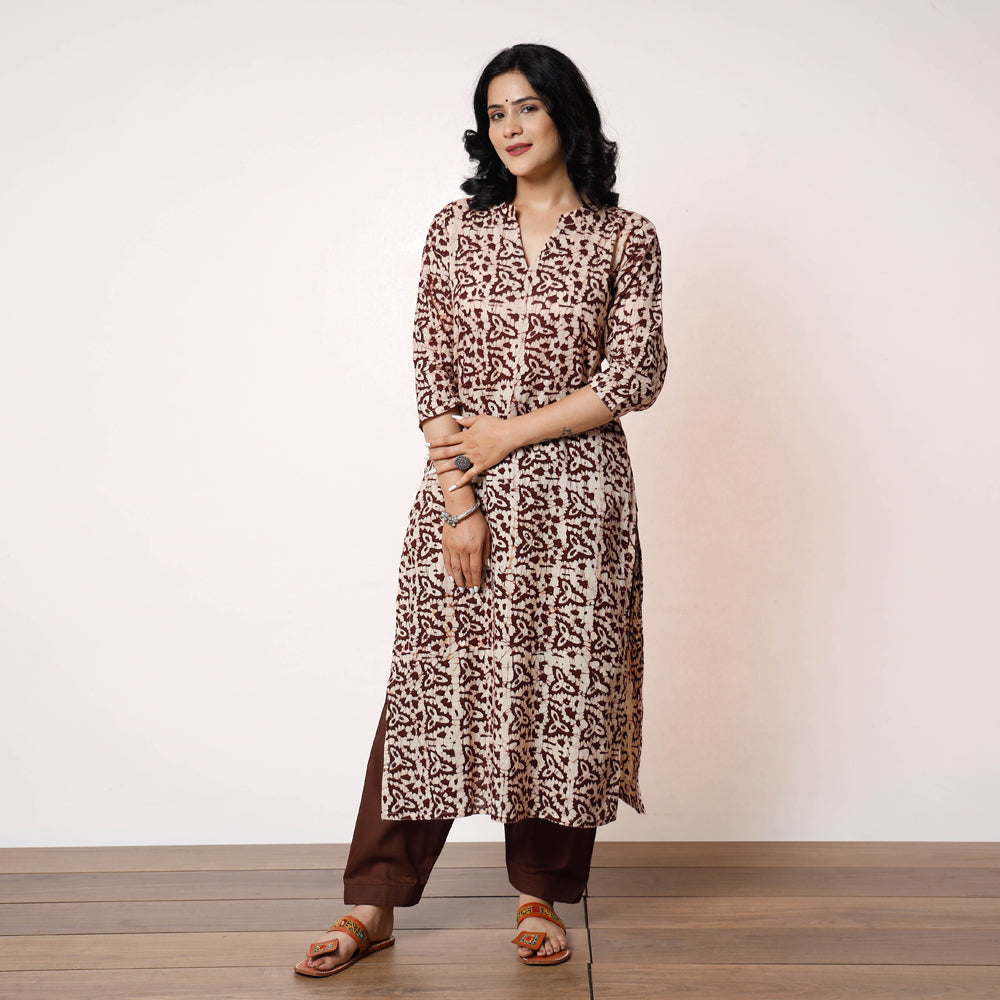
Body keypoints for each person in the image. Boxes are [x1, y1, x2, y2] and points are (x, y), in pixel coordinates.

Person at [294, 42, 667, 978]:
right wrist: (460, 497)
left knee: (563, 693)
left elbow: (635, 375)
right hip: (469, 490)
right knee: (429, 690)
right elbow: (435, 374)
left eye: (527, 107)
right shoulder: (456, 231)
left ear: (566, 115)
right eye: (495, 112)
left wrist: (510, 435)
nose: (509, 126)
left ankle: (541, 896)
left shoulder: (625, 237)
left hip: (581, 505)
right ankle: (373, 903)